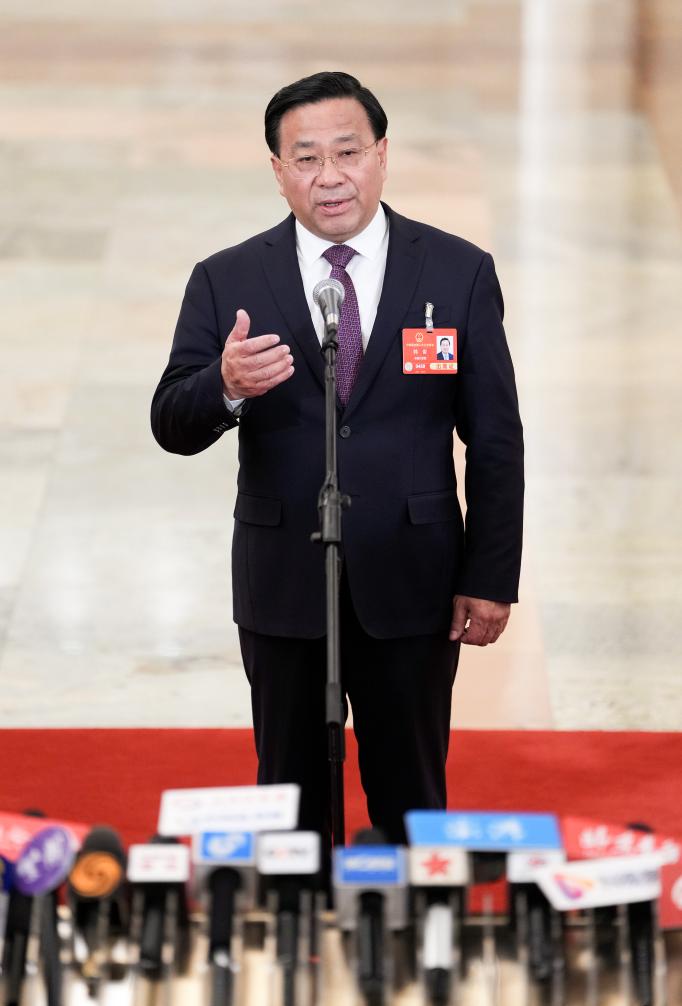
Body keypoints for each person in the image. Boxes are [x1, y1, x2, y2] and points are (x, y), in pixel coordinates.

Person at [151, 72, 524, 846]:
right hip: (285, 578)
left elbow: (493, 438)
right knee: (289, 797)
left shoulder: (456, 272)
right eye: (307, 157)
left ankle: (412, 941)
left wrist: (489, 578)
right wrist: (223, 386)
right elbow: (171, 422)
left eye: (348, 151)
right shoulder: (228, 279)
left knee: (412, 792)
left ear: (382, 154)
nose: (330, 177)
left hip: (414, 580)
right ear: (278, 170)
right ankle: (296, 940)